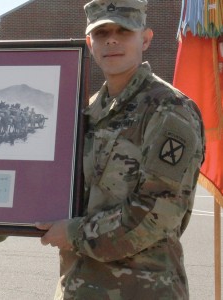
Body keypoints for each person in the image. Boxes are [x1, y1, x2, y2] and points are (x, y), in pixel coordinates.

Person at [36, 0, 205, 299]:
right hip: (77, 288)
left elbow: (156, 212)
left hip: (144, 291)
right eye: (101, 33)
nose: (111, 39)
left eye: (123, 31)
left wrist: (74, 233)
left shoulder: (170, 110)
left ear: (146, 38)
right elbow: (40, 190)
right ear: (90, 43)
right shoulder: (83, 113)